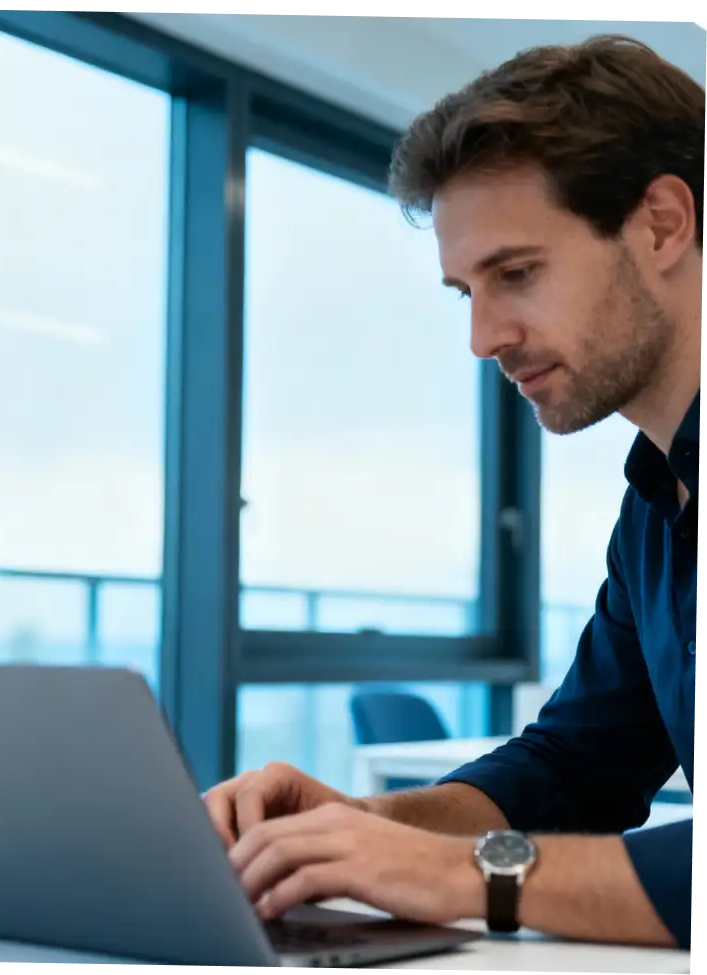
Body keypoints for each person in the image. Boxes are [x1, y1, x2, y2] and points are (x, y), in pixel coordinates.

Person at [204, 35, 699, 952]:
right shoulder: (656, 505)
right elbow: (574, 767)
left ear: (662, 224)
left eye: (516, 273)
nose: (481, 337)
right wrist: (354, 826)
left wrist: (456, 875)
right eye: (463, 290)